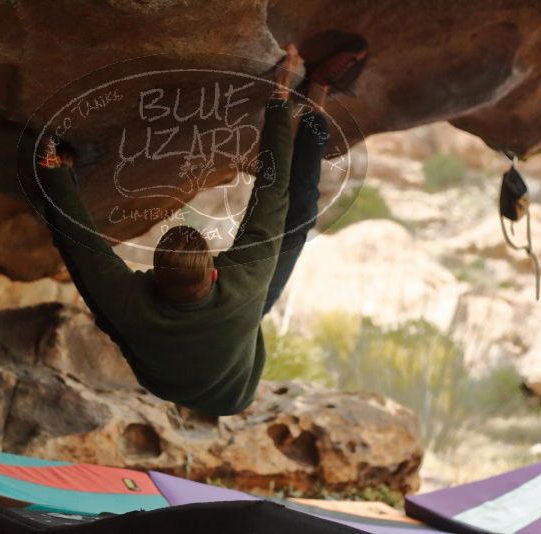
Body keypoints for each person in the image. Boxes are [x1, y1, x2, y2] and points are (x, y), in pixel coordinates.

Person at [35, 45, 354, 415]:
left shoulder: (131, 303)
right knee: (297, 221)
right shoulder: (245, 284)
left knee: (100, 295)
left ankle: (316, 97)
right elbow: (273, 188)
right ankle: (317, 96)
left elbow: (82, 250)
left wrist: (56, 175)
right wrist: (280, 96)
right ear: (216, 271)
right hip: (236, 384)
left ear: (153, 278)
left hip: (210, 342)